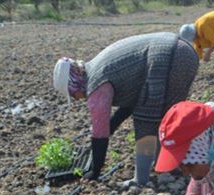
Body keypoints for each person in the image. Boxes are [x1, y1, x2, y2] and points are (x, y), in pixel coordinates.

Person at [52, 32, 198, 186]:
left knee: (145, 119)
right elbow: (129, 104)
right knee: (168, 115)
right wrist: (112, 125)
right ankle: (168, 166)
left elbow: (100, 134)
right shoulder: (97, 65)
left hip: (167, 57)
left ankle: (140, 180)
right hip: (186, 52)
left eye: (73, 94)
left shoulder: (96, 84)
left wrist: (95, 171)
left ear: (74, 83)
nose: (76, 98)